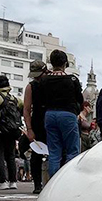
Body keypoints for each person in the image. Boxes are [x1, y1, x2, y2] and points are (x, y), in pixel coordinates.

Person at [35, 50, 84, 178]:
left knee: (54, 151)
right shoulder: (72, 79)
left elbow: (40, 100)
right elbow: (80, 100)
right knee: (72, 150)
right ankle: (67, 179)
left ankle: (53, 180)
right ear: (65, 63)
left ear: (51, 63)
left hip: (50, 114)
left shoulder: (44, 80)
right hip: (68, 114)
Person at [0, 74, 23, 190]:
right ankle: (13, 181)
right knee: (10, 156)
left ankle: (2, 181)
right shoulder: (15, 99)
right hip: (12, 131)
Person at [24, 60, 48, 193]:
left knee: (56, 153)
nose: (37, 79)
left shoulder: (52, 82)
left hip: (52, 120)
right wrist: (29, 129)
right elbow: (26, 109)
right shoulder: (31, 86)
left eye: (39, 75)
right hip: (38, 121)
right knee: (36, 155)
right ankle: (37, 184)